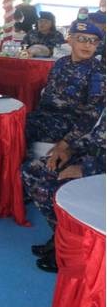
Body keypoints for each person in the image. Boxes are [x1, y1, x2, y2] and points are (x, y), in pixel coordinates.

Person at [22, 108, 105, 272]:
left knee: (51, 189)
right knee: (31, 172)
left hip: (100, 171)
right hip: (91, 156)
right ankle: (60, 237)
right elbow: (96, 135)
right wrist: (68, 149)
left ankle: (73, 249)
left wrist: (86, 169)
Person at [26, 19, 105, 147]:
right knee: (10, 124)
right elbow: (47, 96)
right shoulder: (60, 63)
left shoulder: (98, 72)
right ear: (70, 40)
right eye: (81, 39)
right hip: (43, 117)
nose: (87, 45)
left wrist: (66, 142)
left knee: (16, 131)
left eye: (93, 41)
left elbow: (93, 113)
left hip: (67, 125)